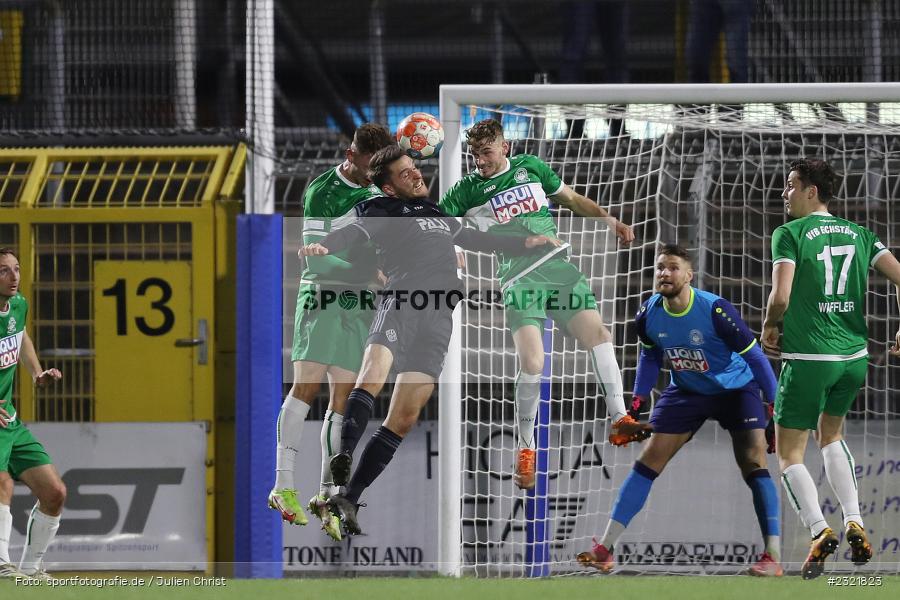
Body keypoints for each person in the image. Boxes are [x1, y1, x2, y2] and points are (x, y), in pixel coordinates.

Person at [300, 144, 561, 534]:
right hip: (402, 302)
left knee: (403, 418)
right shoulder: (381, 211)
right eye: (405, 174)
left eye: (414, 169)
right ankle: (344, 455)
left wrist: (524, 243)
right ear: (388, 188)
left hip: (439, 319)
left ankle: (348, 499)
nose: (416, 175)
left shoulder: (437, 212)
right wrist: (325, 245)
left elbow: (476, 239)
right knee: (372, 378)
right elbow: (352, 233)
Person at [439, 118, 648, 491]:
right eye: (474, 154)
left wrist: (607, 218)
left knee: (599, 334)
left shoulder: (530, 168)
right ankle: (526, 447)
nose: (480, 162)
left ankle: (619, 418)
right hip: (519, 280)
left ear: (505, 148)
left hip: (558, 268)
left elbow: (570, 199)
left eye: (486, 153)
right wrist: (455, 248)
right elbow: (441, 223)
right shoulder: (467, 190)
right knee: (533, 362)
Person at [577, 244, 783, 576]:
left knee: (754, 463)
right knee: (649, 458)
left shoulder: (715, 310)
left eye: (673, 267)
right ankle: (605, 549)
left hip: (735, 389)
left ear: (689, 275)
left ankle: (772, 556)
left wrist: (774, 408)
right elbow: (650, 357)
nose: (664, 273)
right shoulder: (648, 313)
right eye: (660, 267)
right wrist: (637, 402)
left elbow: (756, 357)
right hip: (688, 389)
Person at [762, 158, 900, 579]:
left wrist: (769, 324)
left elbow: (781, 296)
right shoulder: (861, 234)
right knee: (832, 434)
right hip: (853, 359)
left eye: (790, 185)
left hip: (809, 358)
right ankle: (854, 519)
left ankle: (820, 530)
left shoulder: (789, 234)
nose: (784, 194)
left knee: (788, 454)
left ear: (810, 192)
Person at [268, 123, 394, 540]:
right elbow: (317, 263)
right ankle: (282, 485)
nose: (367, 168)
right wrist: (370, 273)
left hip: (358, 306)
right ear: (352, 153)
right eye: (363, 160)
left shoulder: (380, 193)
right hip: (322, 297)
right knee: (306, 387)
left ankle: (327, 494)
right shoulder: (323, 190)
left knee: (343, 400)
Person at [0, 248, 66, 581]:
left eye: (16, 269)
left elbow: (20, 336)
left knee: (55, 493)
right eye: (4, 271)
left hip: (8, 420)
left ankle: (31, 569)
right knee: (2, 484)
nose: (13, 277)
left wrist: (36, 372)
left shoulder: (18, 305)